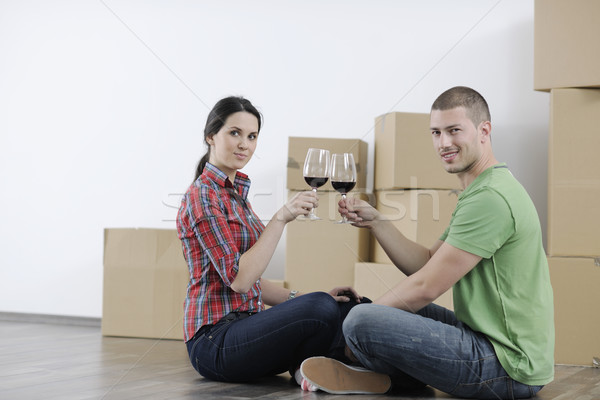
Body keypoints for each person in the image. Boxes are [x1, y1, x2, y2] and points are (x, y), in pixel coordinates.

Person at [299, 86, 554, 399]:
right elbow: (426, 263)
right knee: (370, 311)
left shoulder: (491, 198)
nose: (444, 143)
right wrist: (377, 222)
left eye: (454, 130)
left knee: (362, 318)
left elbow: (426, 286)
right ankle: (382, 378)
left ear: (483, 131)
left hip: (507, 367)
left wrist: (353, 330)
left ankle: (365, 368)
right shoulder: (483, 189)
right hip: (485, 342)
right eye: (436, 132)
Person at [176, 96, 367, 386]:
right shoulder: (203, 196)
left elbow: (254, 283)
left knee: (347, 306)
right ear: (211, 136)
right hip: (214, 342)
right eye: (235, 133)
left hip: (246, 330)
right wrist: (280, 218)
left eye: (252, 136)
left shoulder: (235, 195)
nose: (245, 144)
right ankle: (323, 366)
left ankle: (320, 370)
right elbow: (240, 280)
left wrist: (303, 299)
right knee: (321, 308)